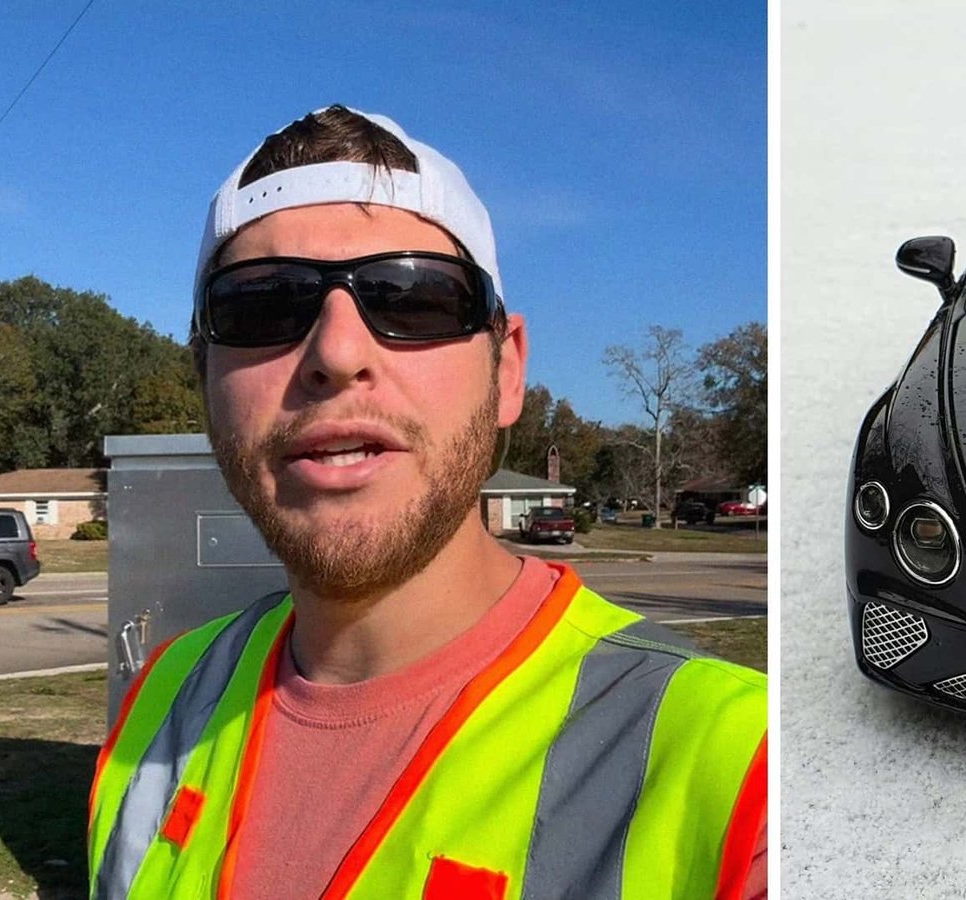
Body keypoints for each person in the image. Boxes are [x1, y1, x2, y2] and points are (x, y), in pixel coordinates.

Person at [87, 106, 767, 899]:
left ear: (507, 372)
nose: (337, 355)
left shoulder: (737, 770)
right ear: (205, 381)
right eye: (263, 305)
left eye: (412, 297)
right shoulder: (162, 701)